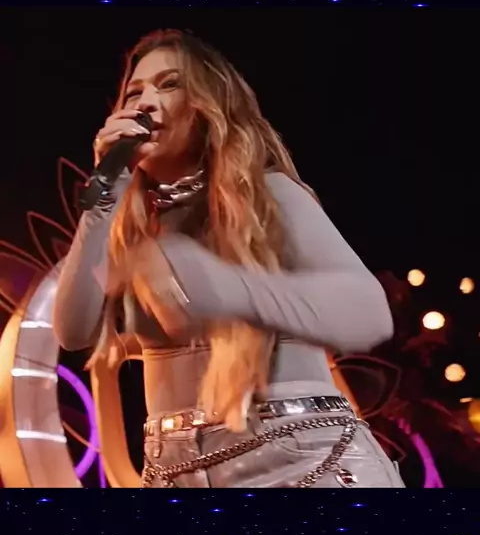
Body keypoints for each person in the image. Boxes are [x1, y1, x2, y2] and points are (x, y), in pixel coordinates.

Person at [53, 28, 404, 488]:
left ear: (209, 104)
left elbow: (369, 312)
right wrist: (104, 200)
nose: (146, 102)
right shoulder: (130, 228)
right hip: (174, 470)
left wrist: (228, 288)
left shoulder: (268, 194)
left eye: (169, 84)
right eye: (134, 92)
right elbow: (72, 330)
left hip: (297, 457)